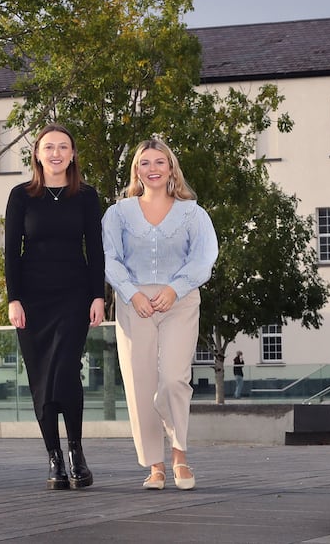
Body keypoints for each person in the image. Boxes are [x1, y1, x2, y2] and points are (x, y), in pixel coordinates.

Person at [102, 138, 218, 491]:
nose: (152, 169)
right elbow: (109, 258)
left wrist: (174, 289)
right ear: (137, 170)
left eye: (159, 162)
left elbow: (203, 258)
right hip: (133, 302)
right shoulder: (118, 213)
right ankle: (155, 465)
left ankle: (180, 454)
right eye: (145, 163)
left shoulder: (193, 213)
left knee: (172, 379)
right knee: (140, 387)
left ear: (171, 168)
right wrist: (132, 292)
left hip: (178, 302)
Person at [5, 123, 105, 490]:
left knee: (64, 372)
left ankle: (76, 451)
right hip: (32, 301)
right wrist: (13, 298)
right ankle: (54, 458)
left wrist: (99, 295)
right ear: (37, 153)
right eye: (49, 147)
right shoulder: (21, 196)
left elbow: (95, 250)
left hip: (74, 298)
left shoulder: (86, 197)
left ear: (73, 154)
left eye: (64, 147)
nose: (56, 153)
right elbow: (10, 254)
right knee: (41, 380)